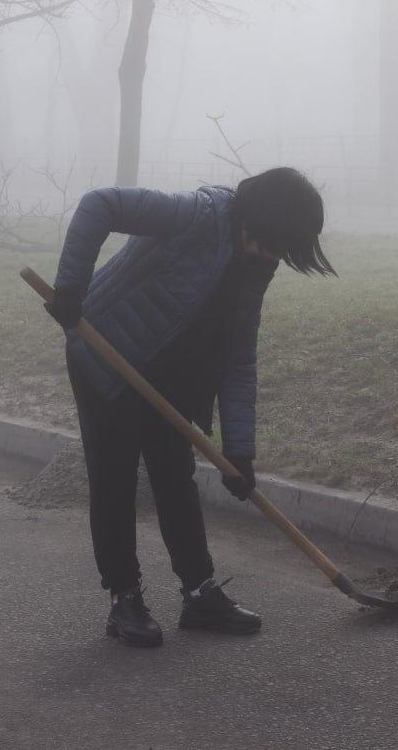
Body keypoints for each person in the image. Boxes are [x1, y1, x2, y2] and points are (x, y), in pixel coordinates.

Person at [44, 167, 336, 647]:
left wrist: (239, 450)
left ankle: (199, 594)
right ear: (258, 220)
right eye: (278, 243)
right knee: (114, 476)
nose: (277, 256)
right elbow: (101, 204)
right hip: (108, 352)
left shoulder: (257, 263)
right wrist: (71, 287)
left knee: (174, 476)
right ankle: (125, 598)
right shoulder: (196, 216)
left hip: (172, 375)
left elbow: (239, 355)